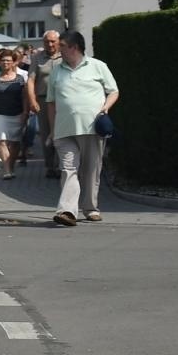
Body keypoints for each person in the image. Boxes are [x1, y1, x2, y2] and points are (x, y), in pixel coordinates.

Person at [44, 30, 119, 226]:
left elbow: (114, 91)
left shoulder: (97, 66)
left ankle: (91, 208)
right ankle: (67, 211)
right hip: (64, 130)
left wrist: (105, 108)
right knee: (69, 169)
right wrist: (52, 130)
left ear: (74, 47)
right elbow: (50, 103)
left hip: (92, 128)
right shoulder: (56, 71)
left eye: (62, 46)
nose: (58, 50)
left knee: (91, 170)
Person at [0, 50, 29, 181]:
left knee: (15, 143)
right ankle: (7, 169)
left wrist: (25, 112)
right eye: (3, 60)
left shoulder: (21, 79)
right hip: (0, 114)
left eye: (8, 60)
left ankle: (11, 165)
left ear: (13, 62)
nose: (5, 63)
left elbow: (25, 98)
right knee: (2, 141)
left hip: (17, 113)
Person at [27, 30, 62, 179]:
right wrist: (32, 100)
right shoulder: (37, 58)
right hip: (44, 100)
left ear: (59, 42)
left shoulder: (65, 55)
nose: (50, 44)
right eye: (47, 41)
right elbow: (30, 80)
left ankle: (62, 165)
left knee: (62, 132)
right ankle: (50, 166)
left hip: (62, 100)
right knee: (46, 134)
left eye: (53, 41)